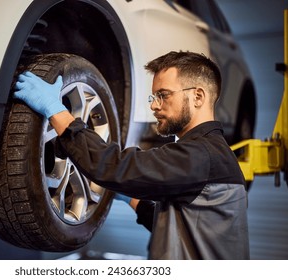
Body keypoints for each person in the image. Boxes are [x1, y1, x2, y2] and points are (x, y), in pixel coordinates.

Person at [13, 51, 249, 260]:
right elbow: (179, 226)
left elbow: (115, 167)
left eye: (163, 95)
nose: (154, 106)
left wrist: (58, 112)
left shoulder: (202, 155)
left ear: (198, 97)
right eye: (153, 97)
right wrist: (132, 200)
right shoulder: (212, 155)